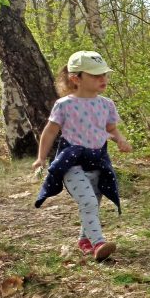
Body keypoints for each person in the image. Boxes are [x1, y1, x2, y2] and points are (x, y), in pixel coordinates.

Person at [33, 51, 132, 261]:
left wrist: (120, 140)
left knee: (93, 202)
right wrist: (41, 158)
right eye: (95, 75)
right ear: (75, 78)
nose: (103, 79)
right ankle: (99, 244)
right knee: (88, 201)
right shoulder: (64, 105)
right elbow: (50, 131)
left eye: (104, 74)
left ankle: (85, 241)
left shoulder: (106, 104)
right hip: (72, 163)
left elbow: (111, 129)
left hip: (98, 161)